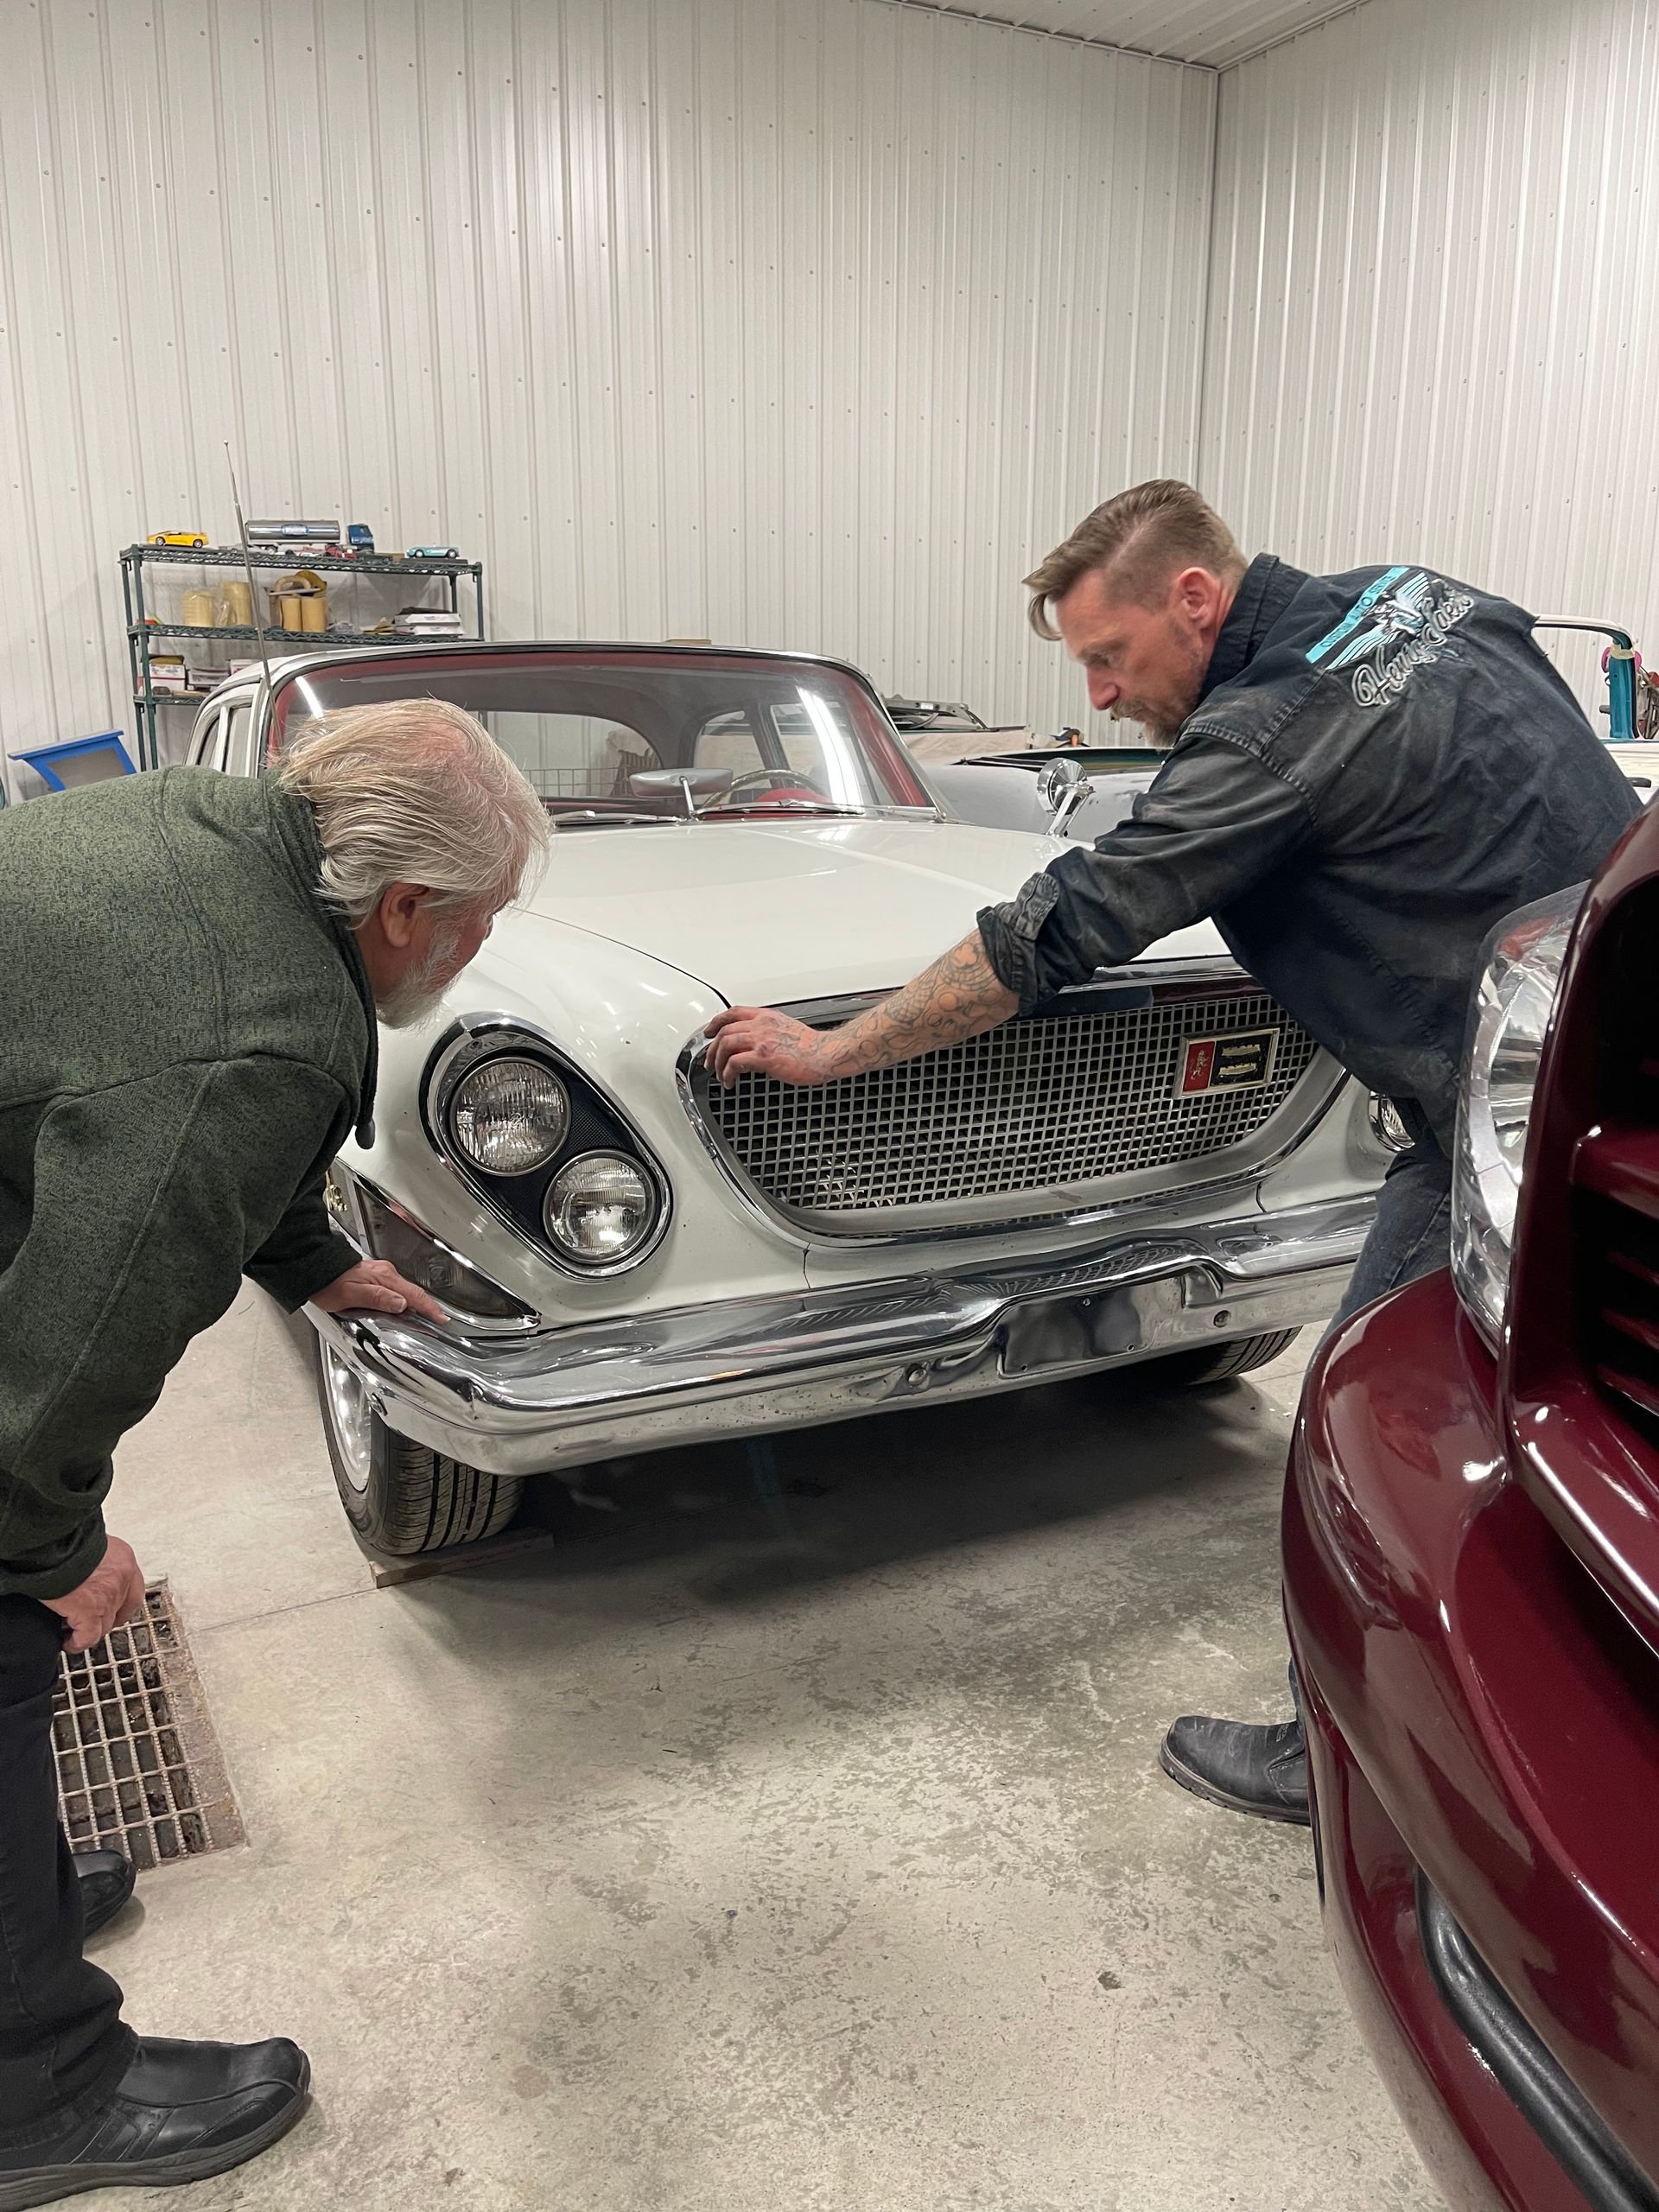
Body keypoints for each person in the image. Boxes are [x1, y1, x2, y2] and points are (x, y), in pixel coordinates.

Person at [706, 479, 1640, 1827]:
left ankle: (1350, 1761)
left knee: (1373, 1428)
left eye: (1110, 657)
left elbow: (1057, 927)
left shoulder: (1262, 741)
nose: (1098, 698)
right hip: (1614, 1059)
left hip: (1508, 1121)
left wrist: (829, 1051)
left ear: (1195, 600)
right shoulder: (1421, 597)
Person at [0, 700, 547, 2203]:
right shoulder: (260, 1029)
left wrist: (308, 1259)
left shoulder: (213, 832)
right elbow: (56, 1366)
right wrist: (48, 1554)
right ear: (404, 909)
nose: (482, 948)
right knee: (4, 1624)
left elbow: (130, 1091)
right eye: (485, 919)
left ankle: (22, 1908)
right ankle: (34, 2093)